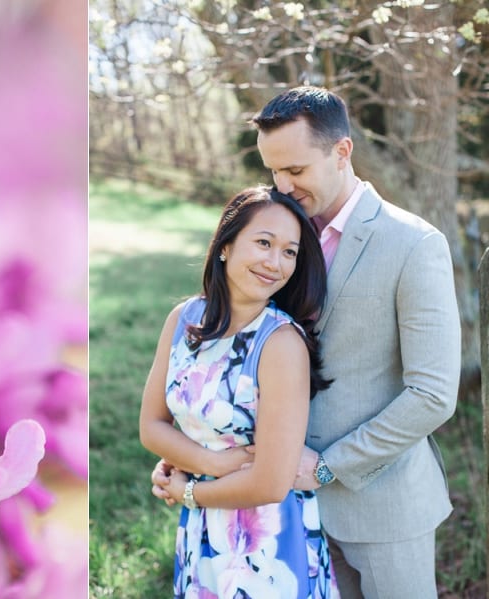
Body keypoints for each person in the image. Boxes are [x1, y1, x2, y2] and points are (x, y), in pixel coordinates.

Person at [156, 86, 461, 598]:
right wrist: (194, 446)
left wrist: (324, 467)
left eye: (295, 171)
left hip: (381, 507)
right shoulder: (279, 240)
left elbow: (432, 394)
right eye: (272, 171)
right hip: (284, 518)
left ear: (341, 152)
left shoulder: (414, 245)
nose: (282, 185)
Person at [140, 185, 338, 598]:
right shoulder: (184, 319)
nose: (275, 262)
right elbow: (151, 426)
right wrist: (210, 461)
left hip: (267, 545)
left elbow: (271, 483)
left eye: (289, 251)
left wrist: (191, 491)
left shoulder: (281, 343)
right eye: (264, 243)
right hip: (201, 532)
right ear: (226, 246)